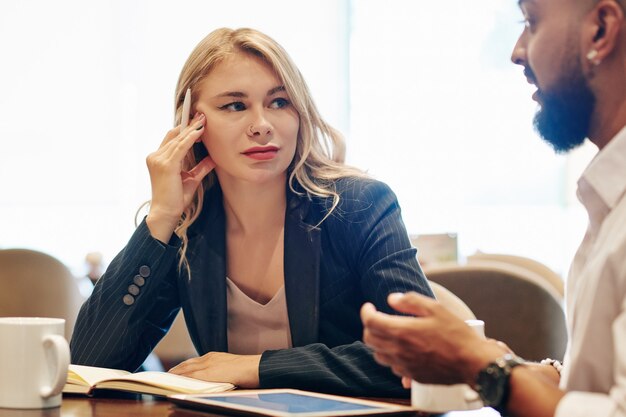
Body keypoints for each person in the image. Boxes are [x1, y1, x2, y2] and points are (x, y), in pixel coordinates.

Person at [70, 27, 432, 397]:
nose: (262, 125)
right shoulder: (187, 229)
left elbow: (424, 355)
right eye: (235, 106)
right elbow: (90, 362)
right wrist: (163, 215)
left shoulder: (360, 205)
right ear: (190, 123)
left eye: (279, 102)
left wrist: (259, 366)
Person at [361, 0, 626, 415]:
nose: (517, 50)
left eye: (531, 22)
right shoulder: (608, 200)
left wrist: (481, 364)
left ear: (601, 30)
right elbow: (596, 389)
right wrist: (504, 365)